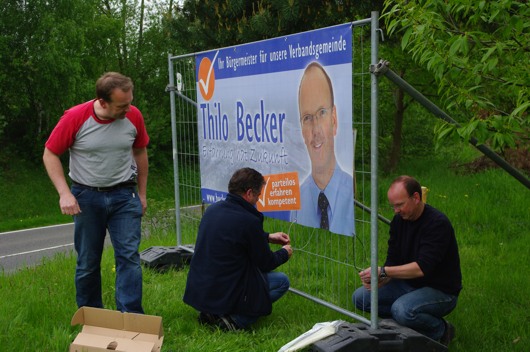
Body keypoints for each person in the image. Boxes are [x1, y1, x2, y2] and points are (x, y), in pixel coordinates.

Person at [43, 72, 149, 314]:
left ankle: (130, 317)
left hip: (125, 196)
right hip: (86, 198)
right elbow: (50, 154)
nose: (128, 109)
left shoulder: (133, 116)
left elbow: (141, 153)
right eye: (122, 105)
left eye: (130, 102)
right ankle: (92, 318)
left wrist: (142, 194)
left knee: (129, 259)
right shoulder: (75, 117)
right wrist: (64, 193)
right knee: (88, 263)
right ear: (102, 102)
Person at [353, 176, 462, 346]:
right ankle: (405, 327)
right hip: (407, 284)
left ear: (416, 198)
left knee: (402, 310)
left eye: (400, 204)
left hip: (440, 290)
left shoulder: (437, 223)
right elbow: (393, 260)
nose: (396, 210)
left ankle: (441, 330)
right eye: (393, 206)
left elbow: (421, 268)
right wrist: (380, 279)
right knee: (361, 298)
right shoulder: (399, 221)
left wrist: (384, 271)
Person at [183, 167, 293, 331]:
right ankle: (235, 320)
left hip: (202, 290)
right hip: (225, 288)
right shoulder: (249, 220)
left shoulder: (213, 210)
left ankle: (213, 312)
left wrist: (267, 236)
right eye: (258, 195)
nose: (258, 200)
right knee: (282, 281)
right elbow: (265, 263)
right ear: (249, 193)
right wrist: (285, 253)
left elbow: (235, 236)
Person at [290, 62, 354, 236]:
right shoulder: (296, 203)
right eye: (307, 118)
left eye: (322, 113)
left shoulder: (353, 194)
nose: (315, 129)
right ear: (302, 130)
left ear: (334, 120)